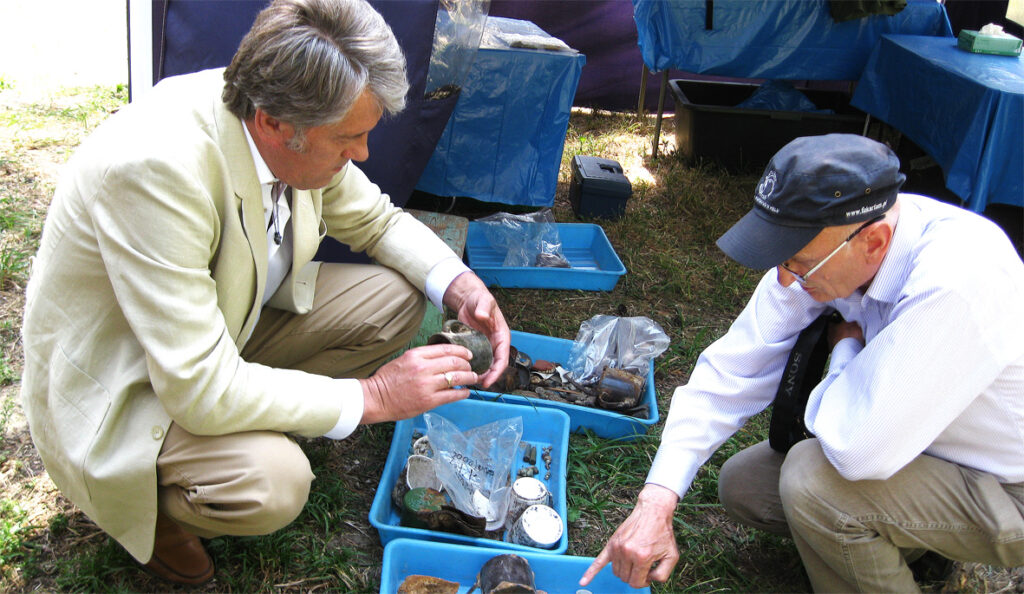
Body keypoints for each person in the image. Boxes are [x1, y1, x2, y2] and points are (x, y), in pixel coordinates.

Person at [20, 0, 510, 586]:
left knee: (400, 298)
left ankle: (258, 413)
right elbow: (198, 387)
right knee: (275, 483)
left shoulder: (287, 115)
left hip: (219, 331)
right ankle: (149, 508)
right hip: (129, 386)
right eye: (348, 139)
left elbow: (377, 221)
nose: (363, 155)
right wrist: (373, 396)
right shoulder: (156, 168)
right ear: (276, 124)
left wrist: (461, 285)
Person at [580, 133, 1024, 592]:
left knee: (813, 486)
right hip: (916, 443)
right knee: (746, 485)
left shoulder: (957, 281)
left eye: (799, 263)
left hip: (1003, 483)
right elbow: (732, 370)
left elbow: (856, 449)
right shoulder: (834, 243)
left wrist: (845, 349)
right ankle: (917, 546)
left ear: (874, 243)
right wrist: (655, 501)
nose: (784, 279)